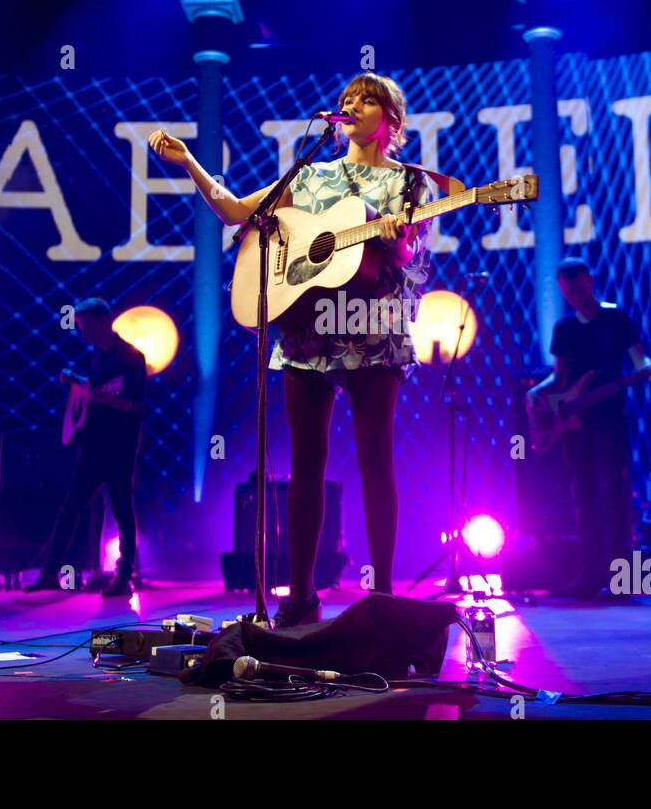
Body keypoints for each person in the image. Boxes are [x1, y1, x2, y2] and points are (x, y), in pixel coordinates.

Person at [150, 72, 436, 627]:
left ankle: (382, 595)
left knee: (375, 458)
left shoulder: (409, 182)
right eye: (348, 98)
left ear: (391, 122)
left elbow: (404, 254)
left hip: (373, 328)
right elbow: (236, 212)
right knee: (306, 464)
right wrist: (189, 161)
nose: (352, 104)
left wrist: (390, 231)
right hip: (308, 330)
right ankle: (301, 596)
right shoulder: (308, 177)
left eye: (367, 99)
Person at [526, 255, 651, 598]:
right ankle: (590, 574)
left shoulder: (615, 318)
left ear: (589, 281)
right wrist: (537, 393)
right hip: (575, 422)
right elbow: (560, 377)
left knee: (613, 496)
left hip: (608, 418)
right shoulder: (565, 329)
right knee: (583, 497)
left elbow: (639, 359)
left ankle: (620, 577)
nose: (574, 297)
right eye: (567, 292)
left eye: (577, 289)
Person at [27, 297, 147, 598]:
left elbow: (136, 405)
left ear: (102, 323)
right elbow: (95, 387)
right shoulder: (98, 358)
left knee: (121, 509)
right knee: (71, 507)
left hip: (119, 447)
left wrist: (111, 401)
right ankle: (50, 572)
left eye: (86, 326)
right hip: (93, 445)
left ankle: (123, 576)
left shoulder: (132, 358)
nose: (83, 333)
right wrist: (75, 380)